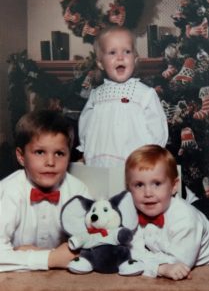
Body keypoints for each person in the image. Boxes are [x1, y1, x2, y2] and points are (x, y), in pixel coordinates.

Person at [0, 110, 91, 272]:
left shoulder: (79, 191)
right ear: (21, 157)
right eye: (40, 152)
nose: (50, 162)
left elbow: (97, 245)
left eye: (59, 153)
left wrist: (26, 255)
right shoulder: (9, 191)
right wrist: (51, 258)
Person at [125, 144, 209, 280]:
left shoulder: (185, 220)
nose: (147, 193)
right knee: (201, 206)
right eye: (139, 185)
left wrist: (159, 268)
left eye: (157, 183)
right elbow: (129, 250)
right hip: (194, 216)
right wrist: (157, 263)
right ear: (129, 188)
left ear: (174, 186)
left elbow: (178, 265)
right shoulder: (135, 210)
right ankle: (202, 203)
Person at [77, 26, 168, 167]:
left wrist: (153, 155)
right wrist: (85, 148)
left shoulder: (144, 94)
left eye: (127, 51)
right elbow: (85, 124)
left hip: (134, 164)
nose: (120, 57)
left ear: (135, 59)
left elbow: (157, 127)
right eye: (112, 52)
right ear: (100, 63)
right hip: (98, 162)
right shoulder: (96, 95)